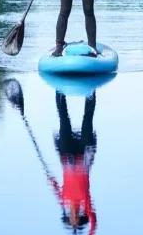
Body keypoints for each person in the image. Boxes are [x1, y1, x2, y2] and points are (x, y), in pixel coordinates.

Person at [47, 91, 98, 234]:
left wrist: (51, 181)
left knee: (63, 119)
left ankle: (59, 89)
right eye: (76, 218)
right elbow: (94, 224)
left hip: (67, 156)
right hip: (84, 156)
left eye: (71, 217)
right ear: (81, 216)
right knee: (87, 120)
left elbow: (55, 187)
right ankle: (91, 90)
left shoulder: (63, 200)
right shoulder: (86, 203)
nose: (73, 215)